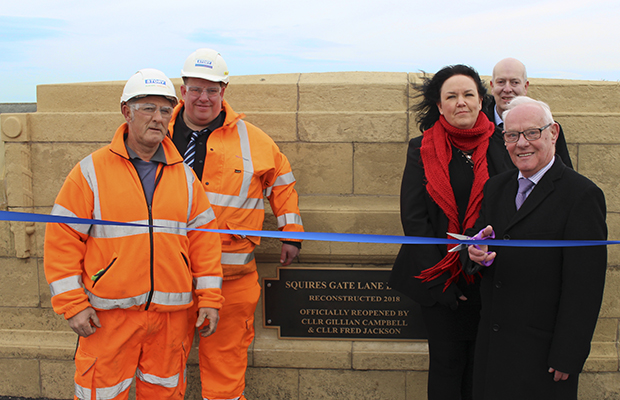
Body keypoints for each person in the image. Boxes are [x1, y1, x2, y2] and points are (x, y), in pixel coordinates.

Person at [43, 69, 224, 399]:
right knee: (101, 392)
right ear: (126, 111)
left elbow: (205, 242)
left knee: (165, 393)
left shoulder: (183, 177)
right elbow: (62, 241)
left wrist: (210, 299)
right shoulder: (90, 172)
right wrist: (72, 304)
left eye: (166, 111)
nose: (158, 119)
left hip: (171, 320)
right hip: (108, 319)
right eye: (148, 109)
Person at [169, 48, 304, 400]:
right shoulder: (156, 133)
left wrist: (291, 233)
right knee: (163, 366)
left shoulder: (253, 140)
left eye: (212, 90)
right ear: (182, 90)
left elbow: (282, 183)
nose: (204, 97)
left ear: (223, 92)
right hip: (168, 274)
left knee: (226, 368)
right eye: (196, 89)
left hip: (230, 279)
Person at [467, 96, 607, 399]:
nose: (522, 143)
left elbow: (585, 285)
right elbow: (480, 237)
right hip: (494, 349)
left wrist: (568, 354)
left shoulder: (582, 196)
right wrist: (475, 254)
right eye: (512, 135)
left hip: (543, 356)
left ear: (553, 133)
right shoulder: (496, 187)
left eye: (532, 133)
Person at [389, 64, 513, 400]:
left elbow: (510, 209)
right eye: (451, 96)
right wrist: (438, 280)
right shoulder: (421, 148)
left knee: (481, 366)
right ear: (440, 105)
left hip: (489, 277)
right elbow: (414, 219)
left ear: (480, 100)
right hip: (440, 281)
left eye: (468, 94)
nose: (461, 102)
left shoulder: (505, 144)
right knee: (447, 364)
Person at [483, 57, 573, 168]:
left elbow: (563, 173)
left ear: (525, 87)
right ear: (492, 86)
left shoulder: (546, 127)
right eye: (501, 82)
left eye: (514, 82)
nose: (507, 89)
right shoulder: (479, 126)